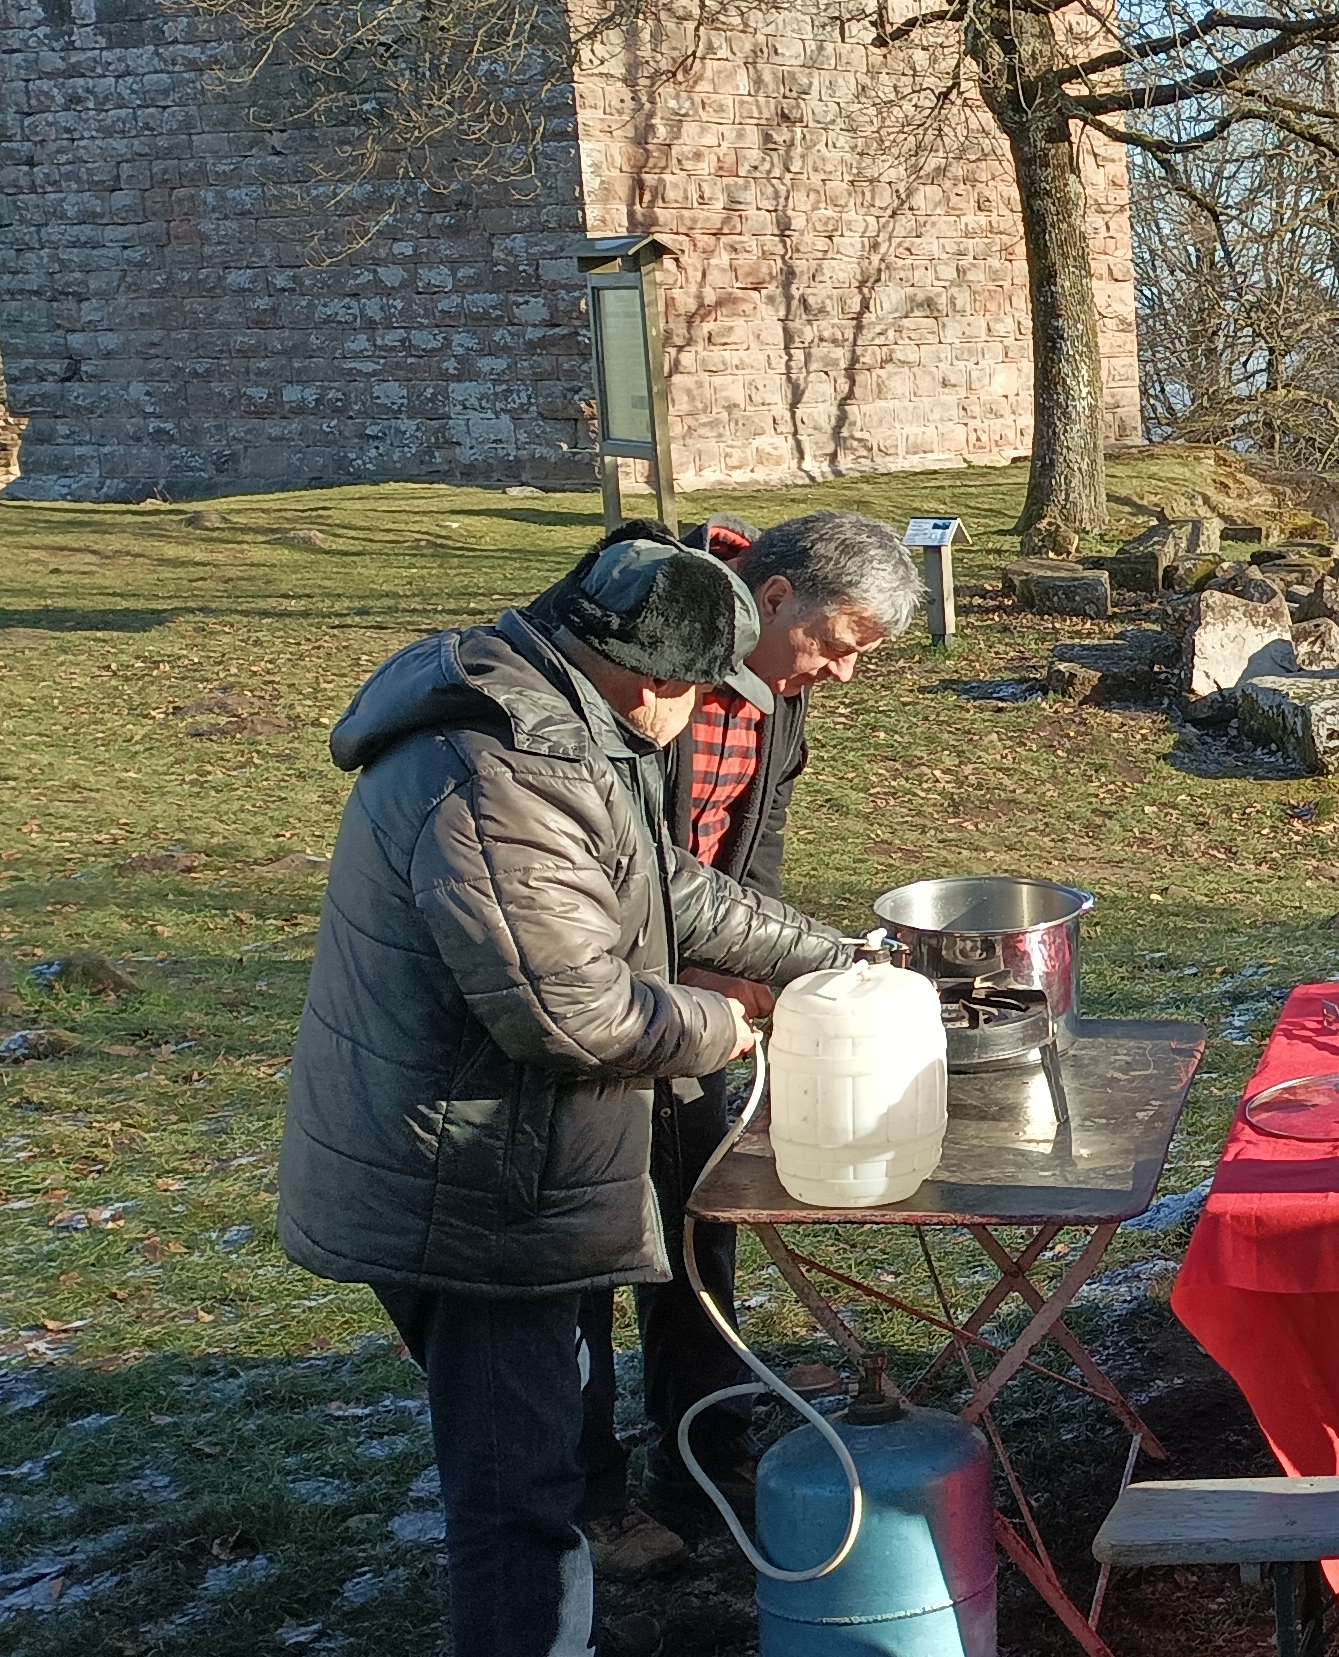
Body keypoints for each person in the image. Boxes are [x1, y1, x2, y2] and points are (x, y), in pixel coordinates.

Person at [279, 530, 856, 1657]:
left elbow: (669, 888)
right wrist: (725, 1026)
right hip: (468, 1191)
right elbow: (570, 1014)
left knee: (531, 1466)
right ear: (651, 684)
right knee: (518, 1500)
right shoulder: (501, 778)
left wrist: (835, 958)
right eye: (706, 695)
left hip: (508, 1166)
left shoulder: (563, 732)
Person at [572, 511, 917, 1568]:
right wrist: (681, 976)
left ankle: (705, 1457)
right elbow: (617, 863)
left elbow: (749, 848)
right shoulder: (647, 657)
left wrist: (764, 966)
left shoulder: (780, 684)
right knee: (584, 1249)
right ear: (771, 600)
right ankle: (584, 1498)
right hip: (586, 988)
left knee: (698, 1221)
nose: (844, 673)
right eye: (838, 644)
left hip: (690, 988)